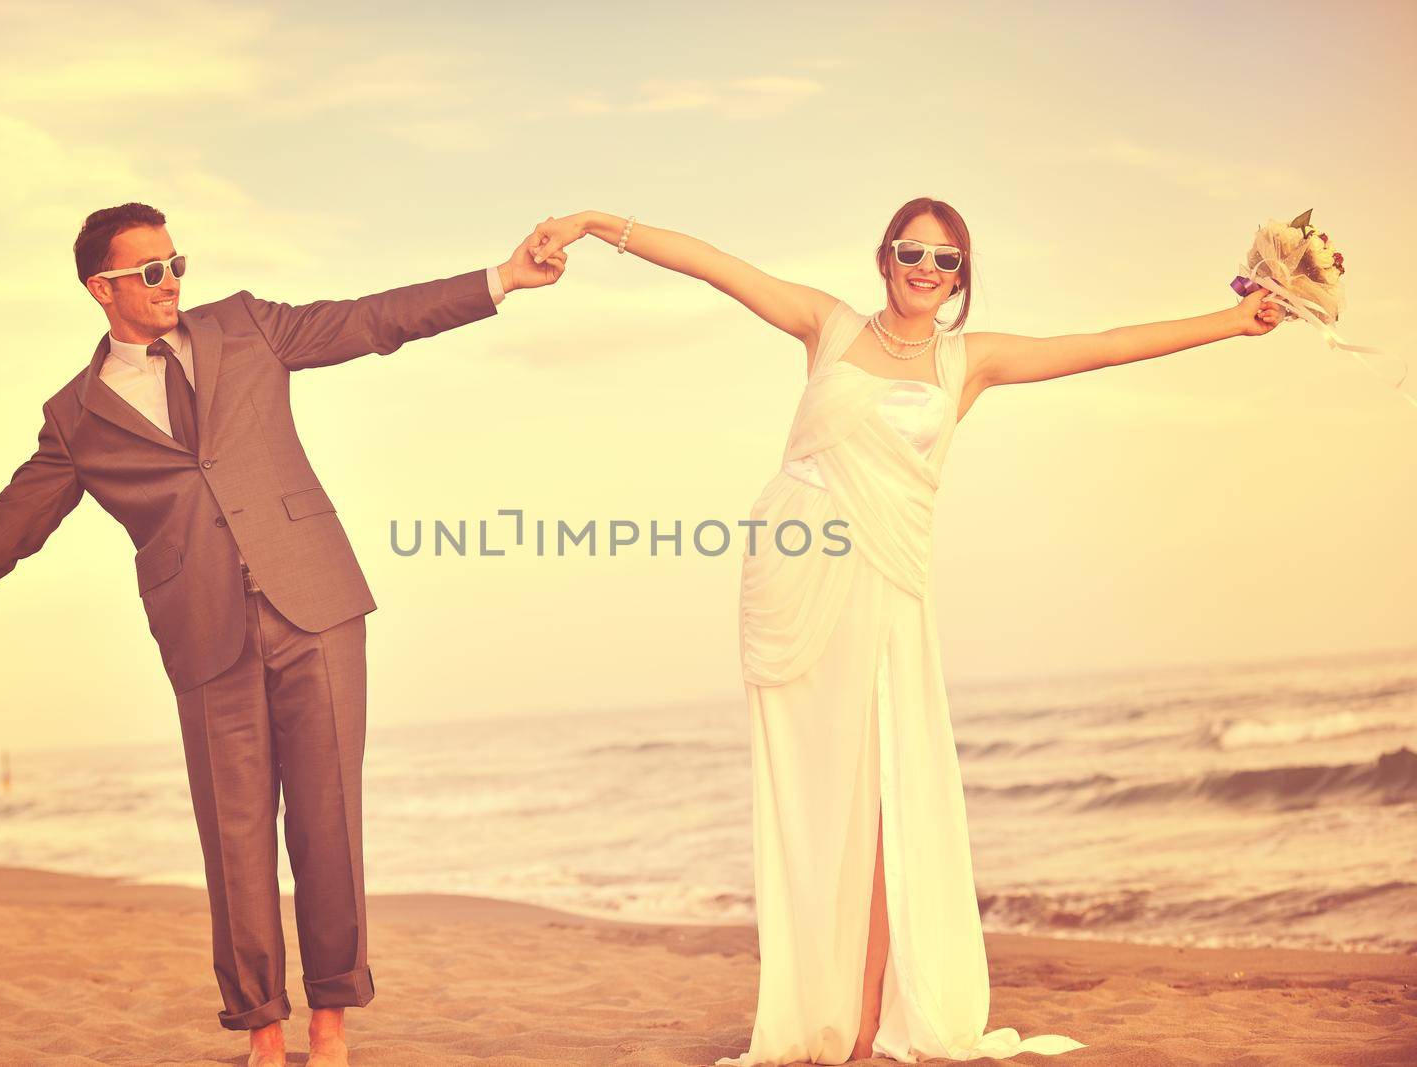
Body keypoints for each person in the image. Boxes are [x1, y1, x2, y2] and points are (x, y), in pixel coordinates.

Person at [526, 200, 1282, 1064]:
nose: (928, 267)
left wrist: (1232, 320)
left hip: (888, 586)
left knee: (883, 799)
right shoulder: (826, 324)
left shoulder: (970, 362)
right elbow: (713, 263)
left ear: (961, 276)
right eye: (914, 251)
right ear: (885, 257)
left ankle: (860, 1022)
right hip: (795, 577)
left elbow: (1102, 344)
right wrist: (591, 223)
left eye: (947, 258)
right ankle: (816, 1003)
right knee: (816, 797)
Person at [0, 202, 568, 1067]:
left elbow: (373, 320)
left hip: (315, 604)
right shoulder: (76, 417)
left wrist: (501, 281)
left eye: (175, 262)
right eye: (149, 271)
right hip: (204, 634)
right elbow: (9, 526)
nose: (171, 282)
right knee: (234, 842)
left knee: (327, 824)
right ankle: (265, 1033)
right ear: (102, 289)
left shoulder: (246, 326)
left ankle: (332, 1026)